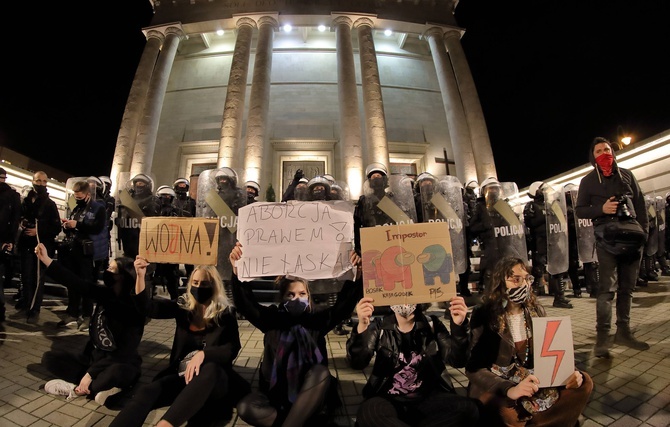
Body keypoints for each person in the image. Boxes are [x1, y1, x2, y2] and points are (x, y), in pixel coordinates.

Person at [228, 242, 363, 427]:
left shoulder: (317, 320)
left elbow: (343, 307)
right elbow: (246, 305)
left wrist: (355, 275)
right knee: (245, 407)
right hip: (277, 396)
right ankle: (299, 420)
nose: (296, 298)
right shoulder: (271, 319)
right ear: (282, 297)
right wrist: (237, 271)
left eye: (301, 294)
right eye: (290, 295)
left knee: (321, 373)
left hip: (310, 393)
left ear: (309, 297)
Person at [110, 258, 249, 427]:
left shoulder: (225, 314)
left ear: (214, 286)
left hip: (212, 382)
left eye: (204, 283)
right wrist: (140, 276)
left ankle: (166, 425)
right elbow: (149, 308)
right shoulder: (183, 307)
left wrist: (204, 355)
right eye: (195, 282)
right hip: (183, 376)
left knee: (211, 367)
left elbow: (232, 348)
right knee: (148, 391)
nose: (199, 287)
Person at [466, 256, 593, 426]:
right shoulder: (484, 314)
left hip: (533, 377)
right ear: (500, 283)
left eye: (526, 279)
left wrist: (571, 373)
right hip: (498, 381)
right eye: (515, 280)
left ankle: (541, 421)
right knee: (507, 412)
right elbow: (474, 369)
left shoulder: (535, 309)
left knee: (584, 383)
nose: (523, 285)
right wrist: (510, 389)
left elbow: (552, 350)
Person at [35, 244, 146, 405]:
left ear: (122, 277)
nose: (106, 271)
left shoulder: (133, 310)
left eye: (111, 269)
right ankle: (98, 389)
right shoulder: (105, 294)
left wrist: (89, 375)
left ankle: (77, 389)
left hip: (120, 364)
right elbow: (76, 282)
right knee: (50, 359)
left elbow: (123, 353)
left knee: (114, 373)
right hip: (93, 362)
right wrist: (46, 259)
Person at [347, 296, 480, 427]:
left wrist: (459, 328)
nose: (404, 300)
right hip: (388, 398)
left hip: (428, 398)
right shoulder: (379, 327)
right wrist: (362, 326)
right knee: (369, 413)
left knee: (467, 409)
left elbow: (457, 361)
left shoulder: (432, 324)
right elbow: (357, 362)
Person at [575, 136, 650, 358]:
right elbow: (580, 210)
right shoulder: (588, 180)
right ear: (593, 156)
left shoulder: (626, 174)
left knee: (628, 288)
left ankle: (624, 332)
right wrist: (602, 208)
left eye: (607, 149)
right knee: (606, 290)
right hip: (607, 240)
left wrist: (643, 232)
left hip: (633, 238)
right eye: (599, 151)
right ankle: (602, 338)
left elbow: (640, 204)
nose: (604, 153)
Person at [57, 180, 108, 329]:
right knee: (72, 283)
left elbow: (97, 228)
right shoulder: (75, 208)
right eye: (75, 197)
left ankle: (87, 315)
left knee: (86, 284)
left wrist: (77, 225)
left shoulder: (99, 208)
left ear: (87, 194)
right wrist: (67, 225)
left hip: (87, 254)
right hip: (73, 251)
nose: (77, 199)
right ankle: (72, 312)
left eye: (79, 197)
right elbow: (74, 228)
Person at [16, 171, 61, 322]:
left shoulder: (50, 204)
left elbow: (56, 228)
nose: (41, 184)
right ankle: (26, 305)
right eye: (38, 181)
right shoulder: (26, 201)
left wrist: (38, 230)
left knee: (37, 279)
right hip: (25, 245)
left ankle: (35, 310)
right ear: (33, 181)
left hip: (41, 246)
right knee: (26, 277)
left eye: (43, 181)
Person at [523, 181, 572, 308]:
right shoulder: (531, 206)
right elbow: (530, 223)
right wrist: (546, 217)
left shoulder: (550, 205)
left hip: (553, 241)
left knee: (557, 269)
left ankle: (559, 297)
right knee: (538, 271)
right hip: (539, 242)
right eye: (542, 190)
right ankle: (531, 298)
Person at [116, 173, 159, 259]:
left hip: (143, 237)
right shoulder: (127, 199)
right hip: (127, 235)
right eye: (137, 183)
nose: (138, 185)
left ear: (147, 185)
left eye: (141, 183)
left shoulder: (152, 200)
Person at [0, 167, 21, 322]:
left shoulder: (12, 196)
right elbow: (14, 221)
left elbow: (14, 221)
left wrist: (9, 241)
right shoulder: (13, 196)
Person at [152, 185, 181, 299]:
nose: (166, 198)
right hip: (155, 247)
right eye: (164, 196)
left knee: (171, 276)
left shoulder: (176, 212)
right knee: (153, 273)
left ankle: (175, 298)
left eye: (168, 196)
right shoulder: (153, 211)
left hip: (170, 247)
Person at [172, 177, 197, 282]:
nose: (182, 187)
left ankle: (189, 280)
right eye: (180, 185)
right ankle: (175, 279)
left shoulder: (191, 202)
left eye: (184, 185)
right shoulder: (172, 200)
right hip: (174, 232)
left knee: (189, 259)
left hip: (188, 232)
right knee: (174, 260)